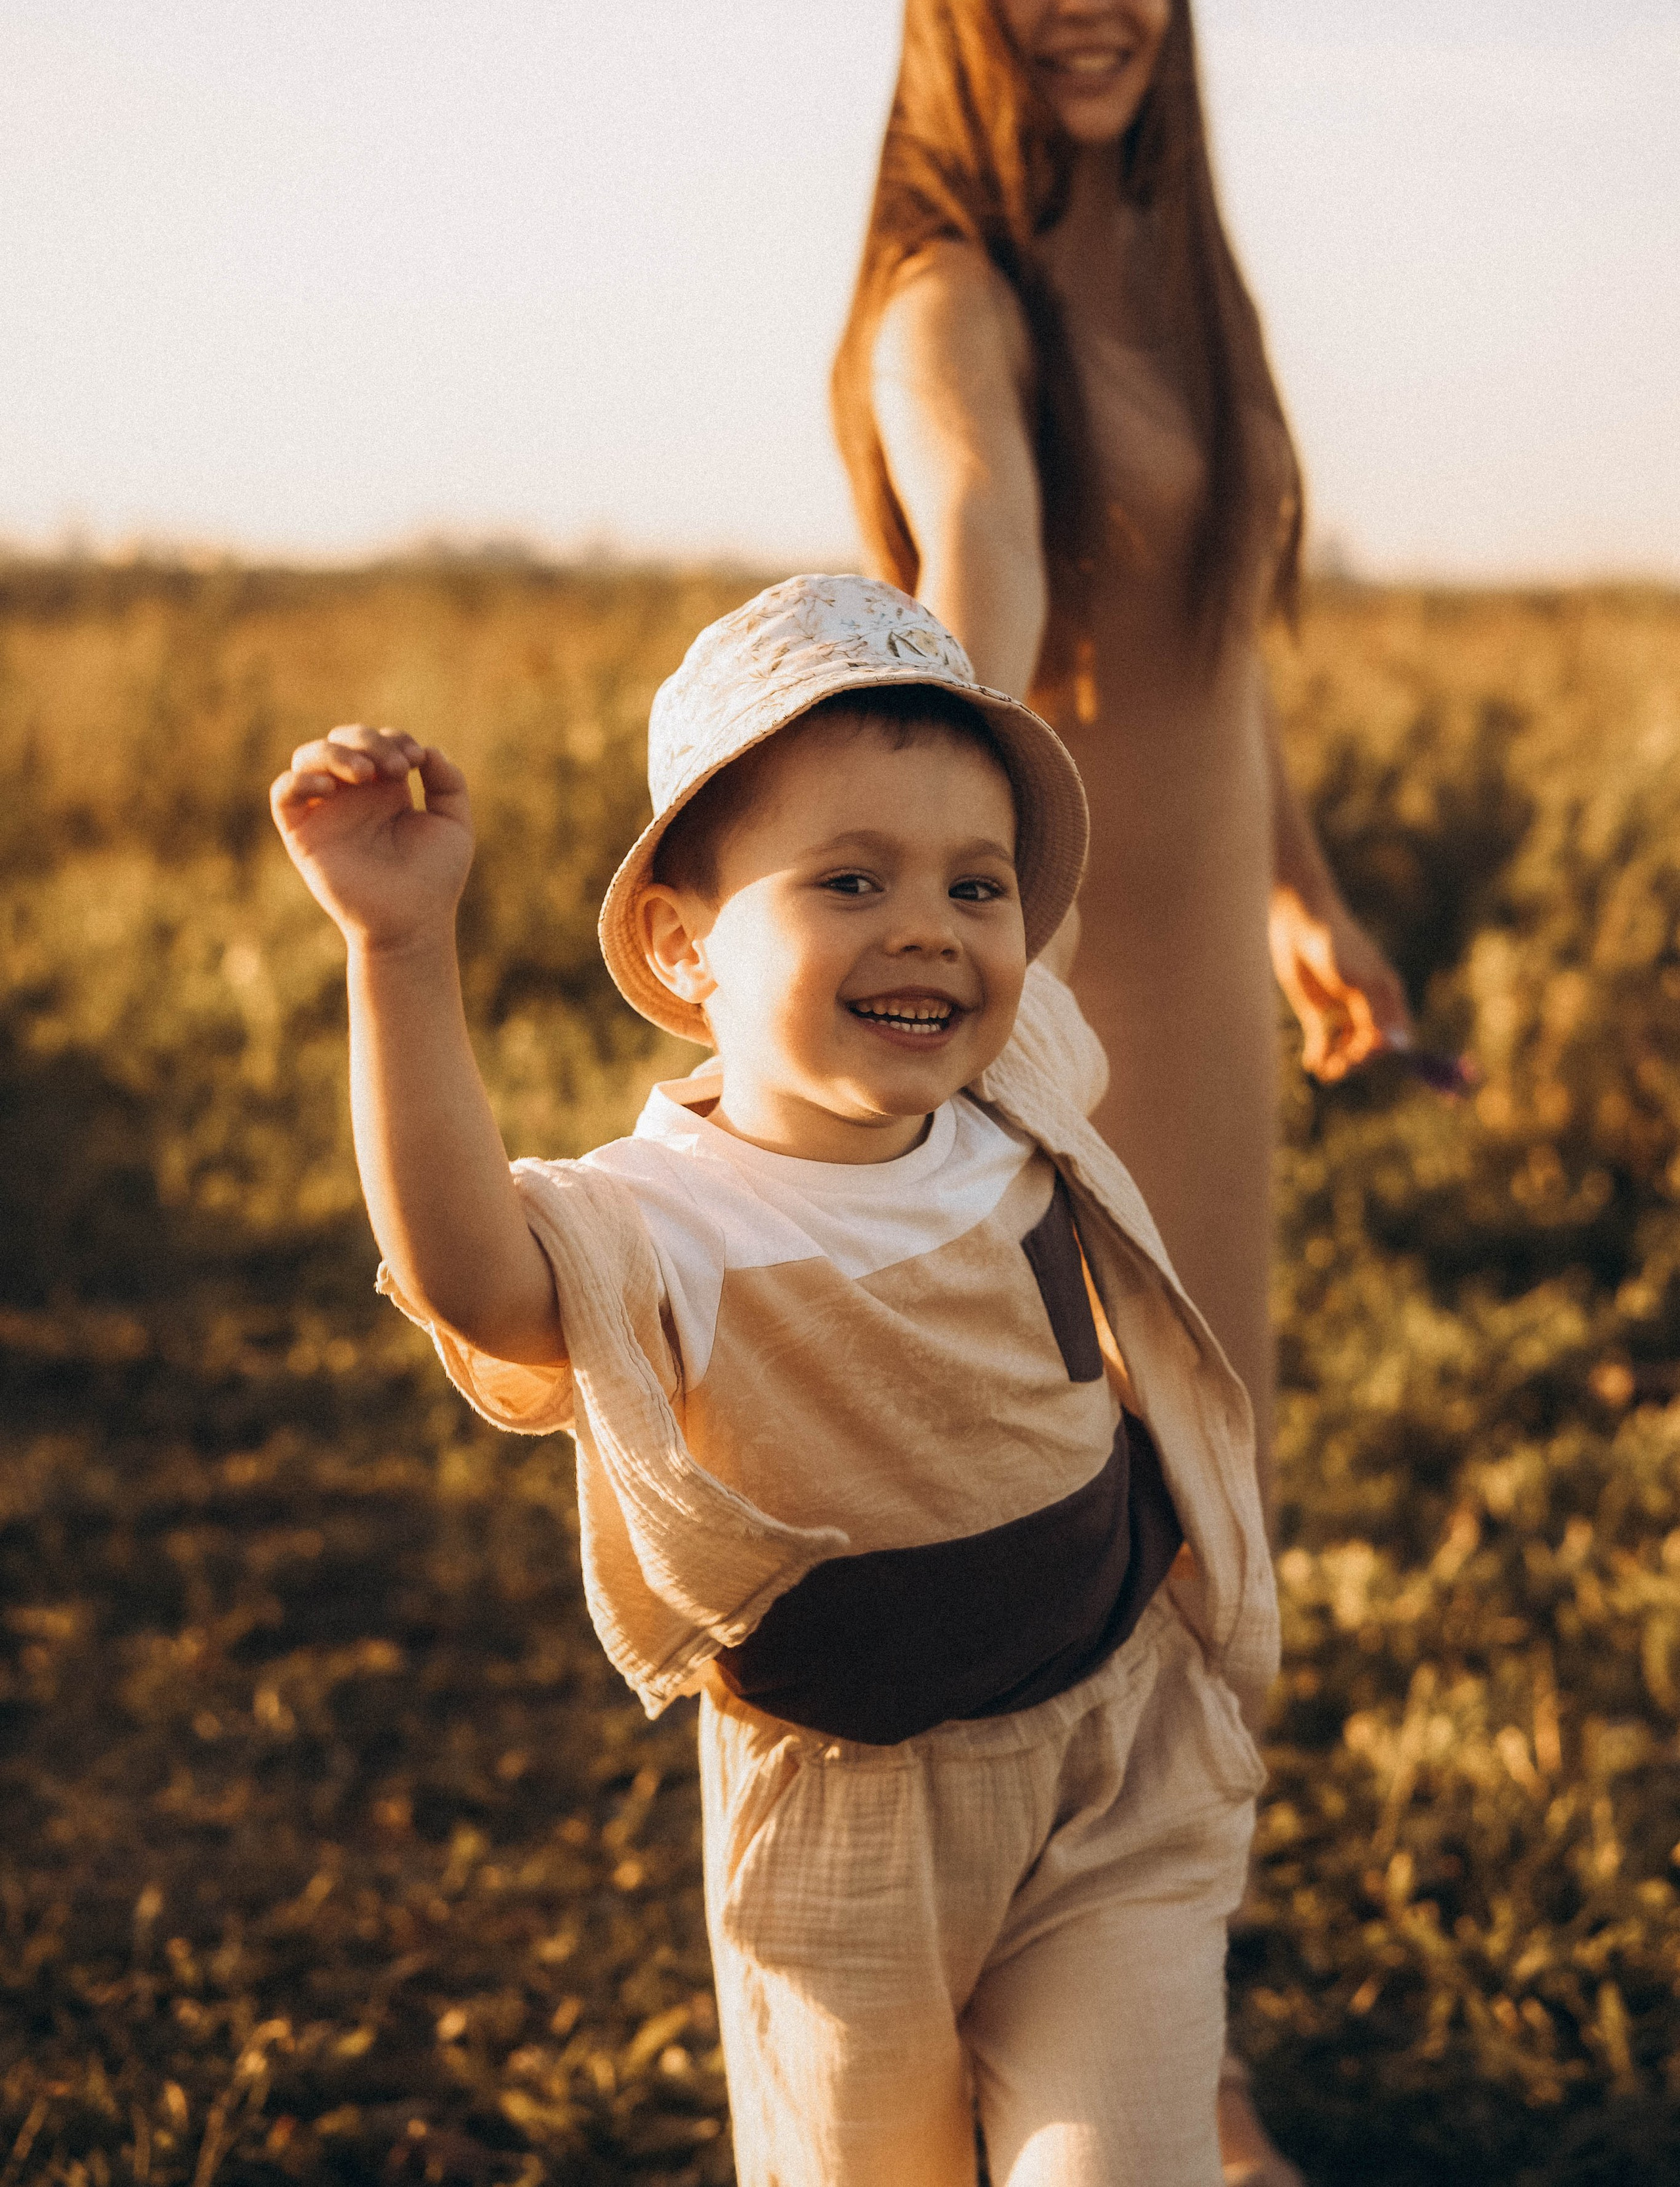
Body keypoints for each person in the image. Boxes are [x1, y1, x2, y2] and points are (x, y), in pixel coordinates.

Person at [271, 571, 1278, 2187]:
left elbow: (1040, 918)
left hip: (1109, 1761)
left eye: (974, 885)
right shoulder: (666, 1221)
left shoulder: (1011, 1088)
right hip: (847, 1826)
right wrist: (397, 948)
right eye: (850, 879)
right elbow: (470, 1272)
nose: (929, 930)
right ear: (682, 950)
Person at [833, 0, 1410, 1543]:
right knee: (1067, 1553)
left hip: (1210, 1002)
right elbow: (979, 561)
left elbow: (1212, 647)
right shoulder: (948, 301)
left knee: (1211, 1514)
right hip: (1054, 1007)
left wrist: (1299, 894)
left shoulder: (1185, 284)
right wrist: (923, 854)